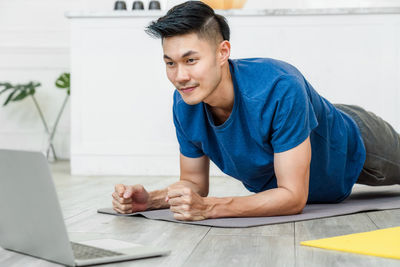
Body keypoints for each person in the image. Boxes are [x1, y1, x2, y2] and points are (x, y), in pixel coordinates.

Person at [111, 1, 400, 221]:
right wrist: (151, 199)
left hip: (356, 142)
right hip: (305, 127)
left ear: (222, 52)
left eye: (190, 60)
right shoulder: (185, 103)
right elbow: (195, 184)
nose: (179, 76)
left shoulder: (280, 87)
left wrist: (211, 208)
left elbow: (292, 197)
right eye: (170, 63)